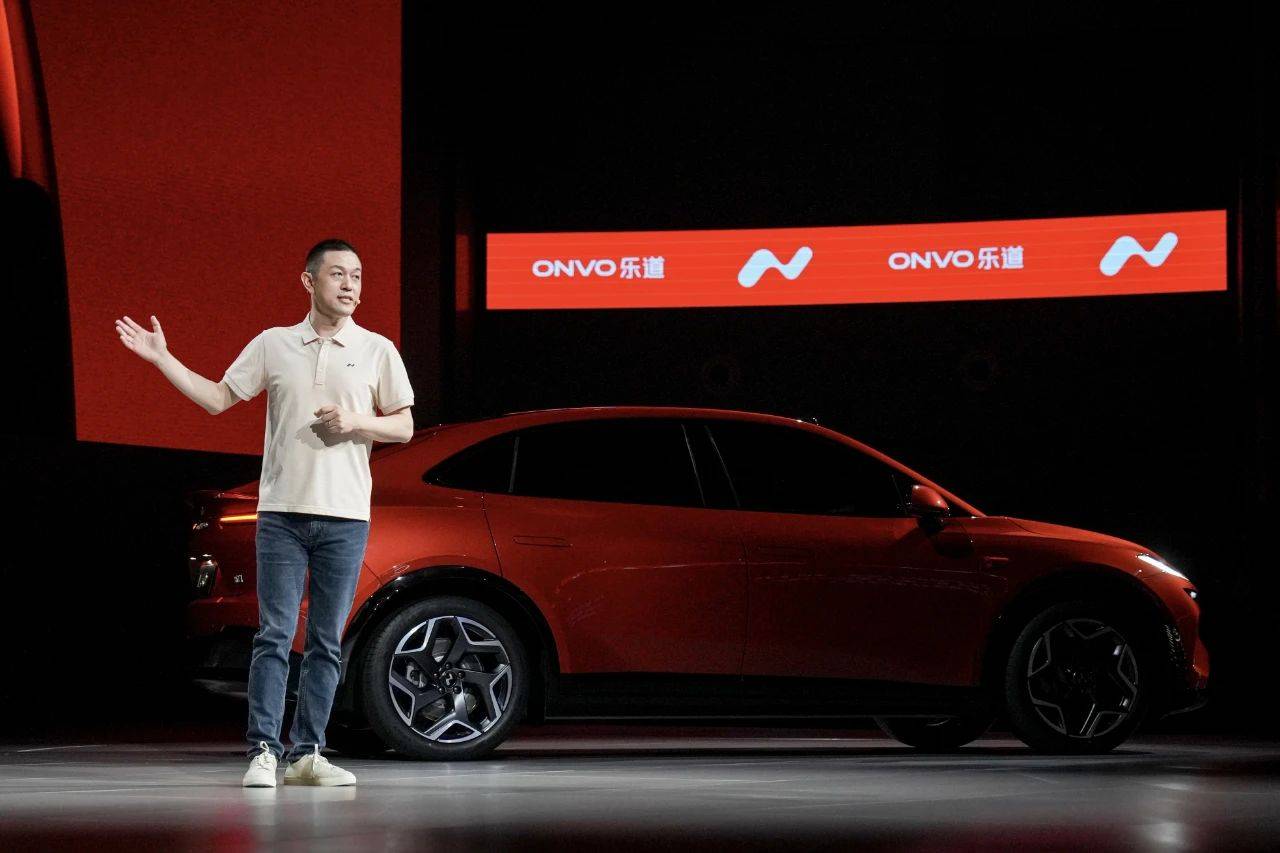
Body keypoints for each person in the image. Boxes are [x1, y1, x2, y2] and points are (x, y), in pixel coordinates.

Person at [115, 238, 416, 787]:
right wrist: (162, 358)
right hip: (281, 514)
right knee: (274, 635)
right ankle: (263, 751)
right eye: (338, 274)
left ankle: (308, 754)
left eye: (357, 276)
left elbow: (404, 425)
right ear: (308, 281)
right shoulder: (274, 344)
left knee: (326, 641)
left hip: (346, 515)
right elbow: (217, 399)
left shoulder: (377, 349)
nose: (350, 285)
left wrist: (356, 422)